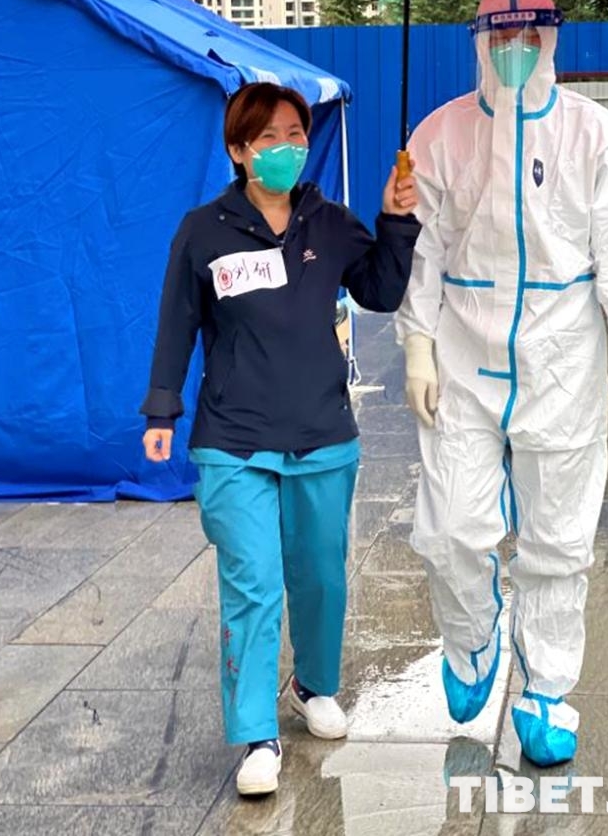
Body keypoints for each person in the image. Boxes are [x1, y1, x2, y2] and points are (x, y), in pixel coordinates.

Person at [395, 0, 608, 767]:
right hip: (463, 348)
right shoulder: (439, 134)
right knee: (450, 527)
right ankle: (472, 639)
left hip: (559, 353)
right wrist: (416, 345)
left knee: (558, 534)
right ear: (479, 42)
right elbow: (421, 249)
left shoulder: (591, 133)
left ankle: (546, 689)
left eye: (528, 37)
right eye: (499, 37)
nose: (513, 51)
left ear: (549, 39)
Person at [140, 82, 420, 795]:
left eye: (295, 134)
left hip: (321, 432)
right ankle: (256, 734)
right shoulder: (203, 231)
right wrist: (162, 411)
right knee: (254, 583)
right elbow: (176, 322)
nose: (286, 149)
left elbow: (381, 291)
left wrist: (395, 221)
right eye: (268, 138)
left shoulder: (328, 223)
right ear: (238, 151)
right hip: (233, 440)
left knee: (321, 577)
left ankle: (312, 687)